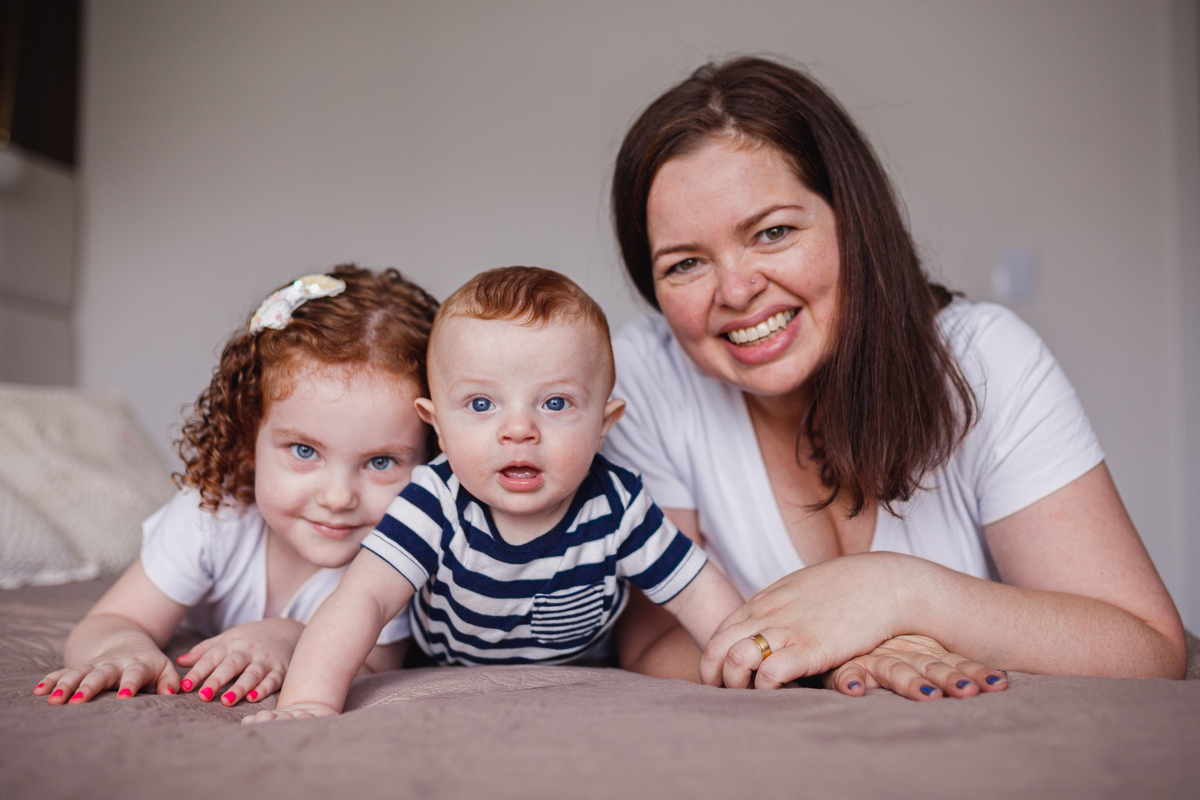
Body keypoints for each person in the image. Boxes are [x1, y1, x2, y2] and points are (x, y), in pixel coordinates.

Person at [603, 56, 1187, 700]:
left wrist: (901, 593)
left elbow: (1148, 647)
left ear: (854, 221)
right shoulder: (648, 378)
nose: (737, 290)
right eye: (685, 263)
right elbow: (653, 644)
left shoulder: (986, 358)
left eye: (773, 231)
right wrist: (834, 651)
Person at [244, 266, 744, 722]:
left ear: (604, 425)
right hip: (446, 674)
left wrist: (746, 663)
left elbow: (697, 590)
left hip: (585, 681)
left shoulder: (618, 503)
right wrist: (309, 702)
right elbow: (364, 601)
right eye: (482, 403)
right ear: (436, 426)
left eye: (555, 402)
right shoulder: (434, 503)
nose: (519, 429)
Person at [34, 266, 439, 706]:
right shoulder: (214, 513)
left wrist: (292, 638)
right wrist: (120, 648)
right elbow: (113, 618)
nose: (338, 497)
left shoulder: (402, 548)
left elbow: (378, 665)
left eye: (381, 461)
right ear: (248, 437)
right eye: (304, 451)